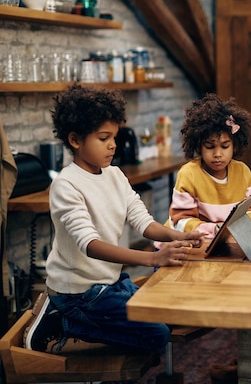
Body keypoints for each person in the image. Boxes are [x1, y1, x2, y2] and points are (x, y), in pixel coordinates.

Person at [23, 83, 204, 354]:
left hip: (108, 285)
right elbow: (90, 244)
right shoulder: (67, 185)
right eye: (103, 138)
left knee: (170, 316)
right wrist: (153, 258)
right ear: (75, 140)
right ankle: (61, 323)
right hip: (78, 295)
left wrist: (179, 236)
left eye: (114, 137)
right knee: (157, 335)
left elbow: (143, 222)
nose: (112, 145)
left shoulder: (115, 175)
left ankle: (78, 322)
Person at [163, 93, 251, 242]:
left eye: (225, 146)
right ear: (199, 146)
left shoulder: (243, 172)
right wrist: (214, 229)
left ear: (235, 145)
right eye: (210, 146)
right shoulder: (189, 174)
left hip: (216, 245)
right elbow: (180, 222)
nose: (218, 154)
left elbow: (243, 217)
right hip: (180, 247)